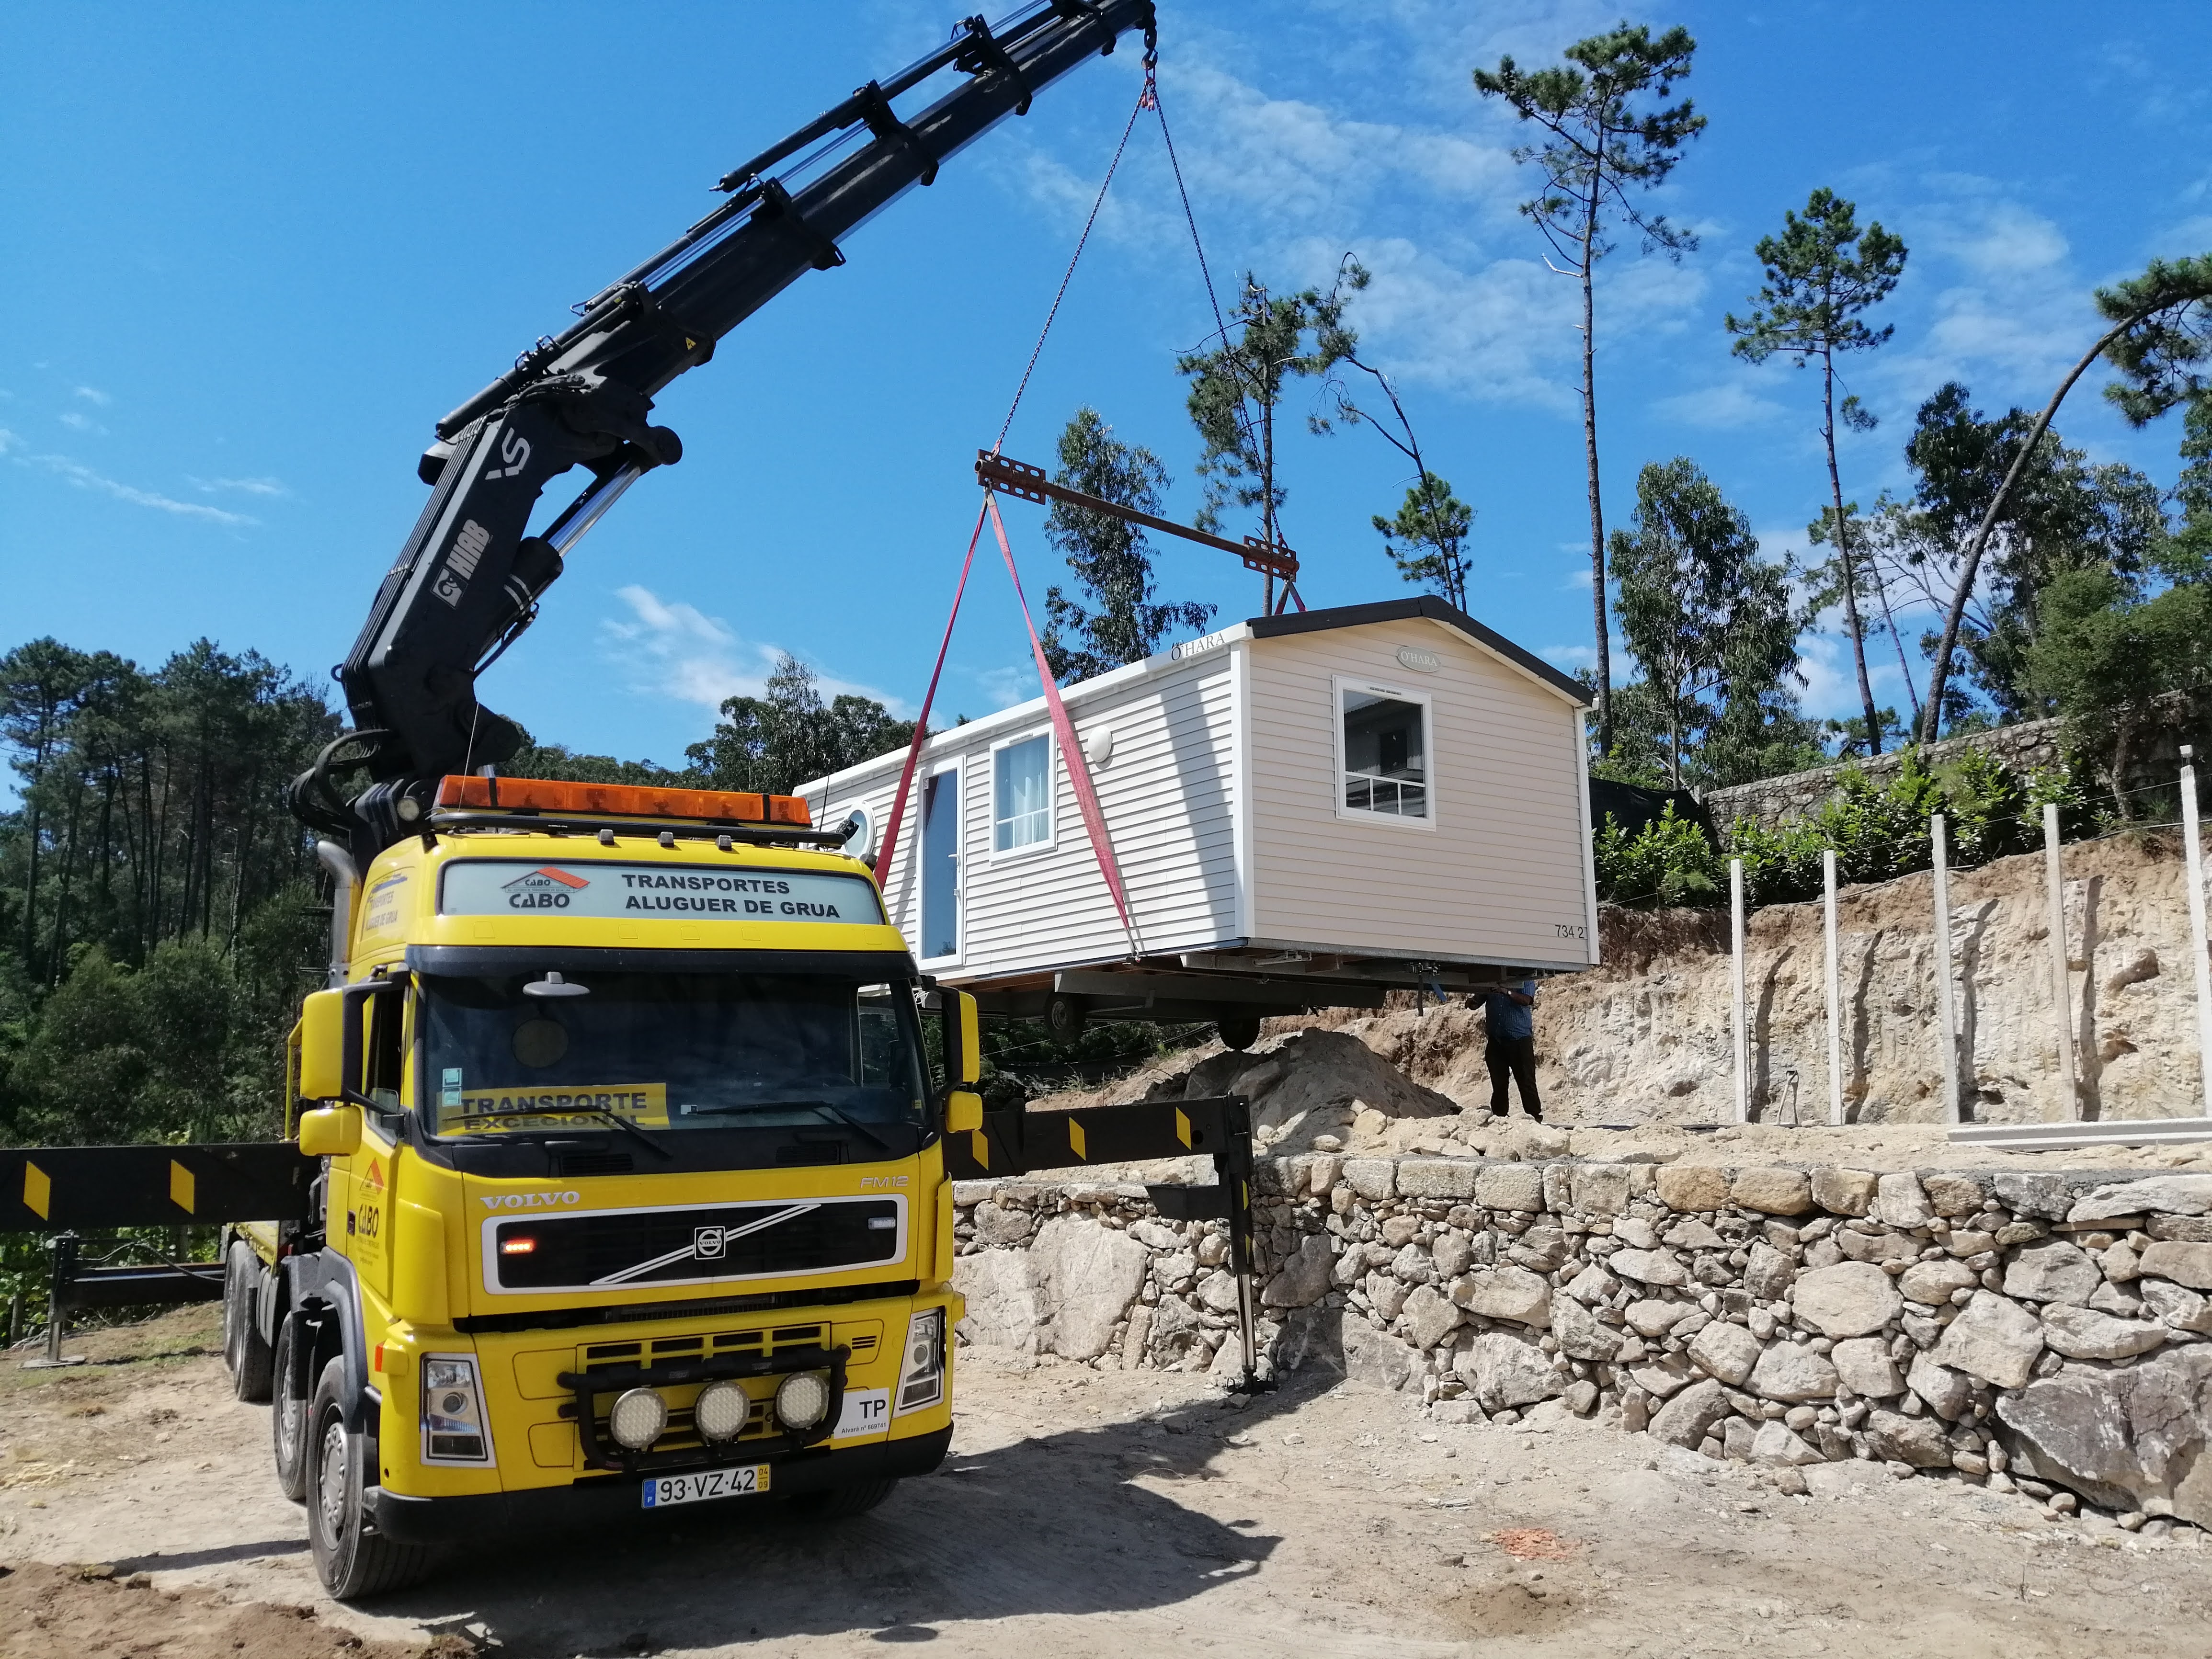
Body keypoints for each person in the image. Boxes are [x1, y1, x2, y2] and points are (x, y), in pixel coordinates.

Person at [1481, 978, 1541, 1121]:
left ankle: (1534, 1117)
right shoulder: (1490, 980)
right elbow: (1479, 998)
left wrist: (1507, 992)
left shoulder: (1525, 979)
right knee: (1499, 1083)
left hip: (1519, 1040)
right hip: (1496, 1040)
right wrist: (1473, 1002)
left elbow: (1527, 1000)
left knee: (1526, 1081)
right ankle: (1500, 1117)